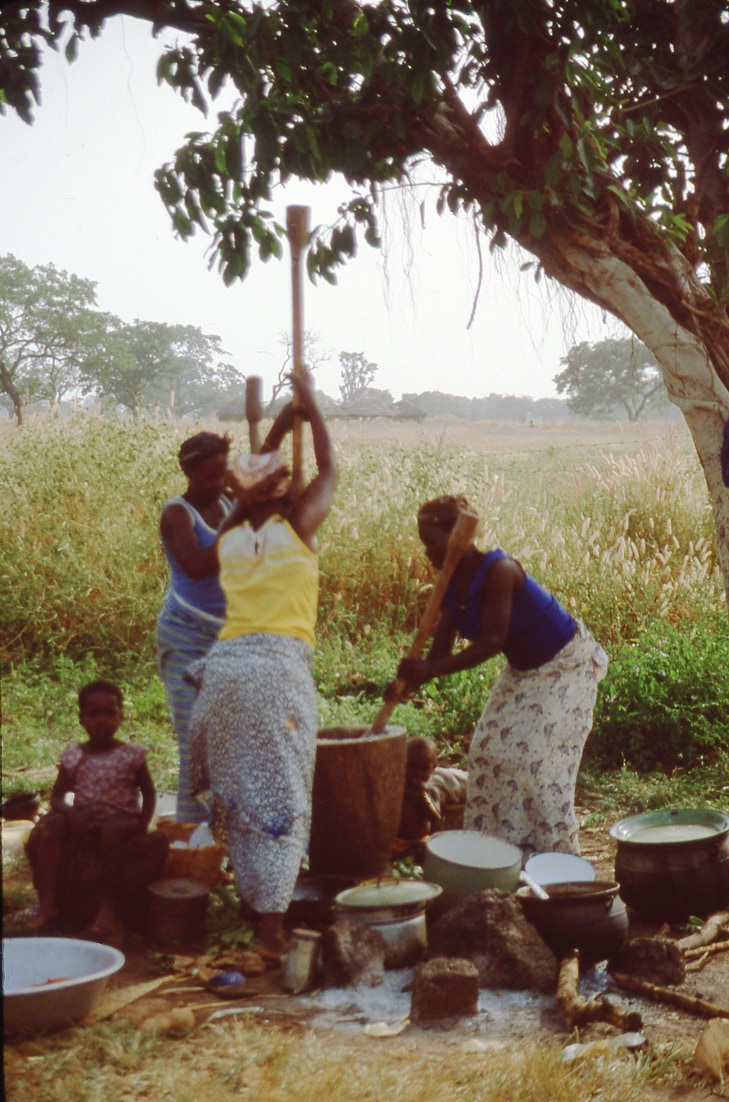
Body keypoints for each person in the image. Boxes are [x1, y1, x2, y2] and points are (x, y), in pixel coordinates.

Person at [188, 373, 338, 961]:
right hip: (275, 672)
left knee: (241, 793)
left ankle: (255, 907)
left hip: (222, 674)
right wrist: (314, 405)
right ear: (282, 493)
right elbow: (328, 468)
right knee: (281, 800)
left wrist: (282, 418)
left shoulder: (229, 539)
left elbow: (258, 483)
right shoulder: (297, 529)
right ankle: (271, 935)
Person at [390, 495, 608, 856]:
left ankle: (556, 861)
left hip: (567, 665)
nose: (427, 552)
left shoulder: (499, 571)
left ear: (458, 537)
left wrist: (428, 669)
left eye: (433, 542)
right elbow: (440, 653)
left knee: (538, 767)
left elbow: (491, 642)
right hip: (524, 671)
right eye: (424, 544)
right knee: (487, 754)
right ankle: (499, 857)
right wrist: (411, 680)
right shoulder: (449, 588)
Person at [158, 418, 293, 822]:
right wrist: (240, 516)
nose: (219, 483)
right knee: (195, 745)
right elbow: (197, 565)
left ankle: (227, 840)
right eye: (209, 476)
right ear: (188, 473)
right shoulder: (177, 512)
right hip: (185, 640)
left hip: (229, 641)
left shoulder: (226, 506)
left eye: (224, 474)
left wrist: (282, 424)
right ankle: (192, 843)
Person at [25, 680, 169, 940]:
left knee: (111, 832)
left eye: (110, 713)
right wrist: (70, 814)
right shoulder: (74, 756)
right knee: (51, 826)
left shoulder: (131, 755)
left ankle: (107, 909)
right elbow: (56, 797)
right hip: (84, 820)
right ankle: (47, 904)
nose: (102, 721)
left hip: (121, 820)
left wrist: (140, 827)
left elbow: (148, 793)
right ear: (82, 719)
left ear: (121, 717)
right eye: (94, 714)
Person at [392, 737, 442, 862]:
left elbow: (436, 817)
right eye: (412, 767)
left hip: (419, 841)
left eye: (424, 769)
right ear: (402, 763)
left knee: (424, 851)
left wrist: (423, 795)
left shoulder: (431, 791)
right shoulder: (397, 787)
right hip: (395, 840)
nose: (417, 773)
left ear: (433, 767)